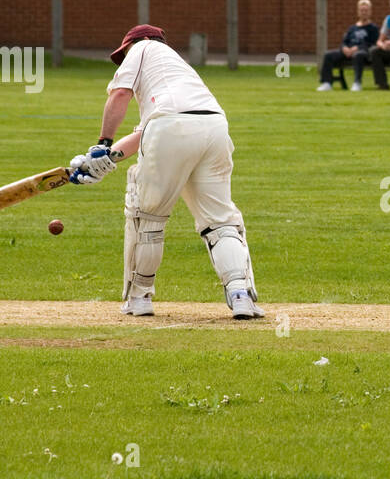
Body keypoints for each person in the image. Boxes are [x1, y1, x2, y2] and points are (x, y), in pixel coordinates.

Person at [66, 24, 264, 320]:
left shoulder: (143, 47)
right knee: (220, 220)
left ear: (138, 41)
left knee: (148, 217)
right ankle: (240, 296)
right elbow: (145, 133)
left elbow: (121, 94)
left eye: (124, 53)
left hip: (170, 128)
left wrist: (102, 144)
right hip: (215, 128)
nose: (124, 59)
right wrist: (105, 160)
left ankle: (140, 298)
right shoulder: (177, 72)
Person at [316, 0, 379, 92]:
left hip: (363, 53)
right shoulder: (352, 28)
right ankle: (326, 83)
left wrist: (357, 48)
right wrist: (344, 48)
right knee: (328, 55)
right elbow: (344, 41)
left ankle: (357, 83)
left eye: (366, 10)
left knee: (358, 55)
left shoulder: (373, 28)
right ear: (358, 12)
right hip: (347, 51)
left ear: (370, 12)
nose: (364, 12)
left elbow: (373, 43)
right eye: (362, 10)